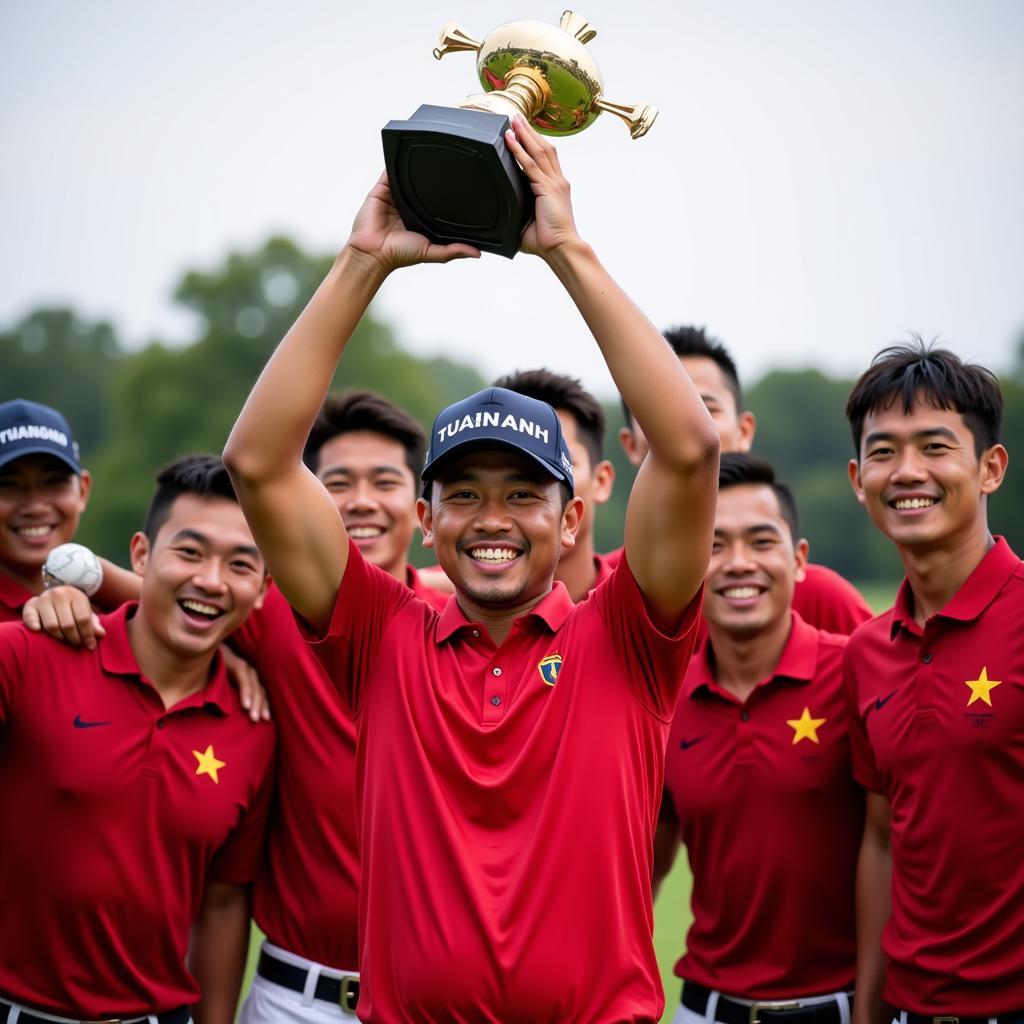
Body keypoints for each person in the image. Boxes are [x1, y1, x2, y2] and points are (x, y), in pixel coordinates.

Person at [222, 115, 719, 1021]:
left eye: (524, 495)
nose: (494, 520)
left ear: (572, 518)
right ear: (425, 521)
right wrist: (362, 262)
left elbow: (687, 451)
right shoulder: (380, 633)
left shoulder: (629, 635)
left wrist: (565, 248)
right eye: (465, 495)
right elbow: (257, 463)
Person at [22, 391, 449, 1022]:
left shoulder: (457, 629)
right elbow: (181, 595)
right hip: (293, 996)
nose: (360, 500)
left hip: (435, 998)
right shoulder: (268, 611)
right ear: (301, 503)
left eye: (383, 481)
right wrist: (69, 583)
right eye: (336, 482)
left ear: (418, 508)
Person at [0, 455, 275, 1024]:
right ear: (142, 555)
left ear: (265, 587)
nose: (210, 581)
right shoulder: (26, 654)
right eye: (190, 552)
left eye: (240, 564)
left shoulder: (256, 726)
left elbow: (222, 906)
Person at [842, 342, 1019, 1024]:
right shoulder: (865, 653)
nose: (908, 472)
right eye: (884, 452)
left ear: (990, 468)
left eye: (935, 447)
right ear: (859, 478)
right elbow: (883, 839)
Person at [655, 454, 863, 1024]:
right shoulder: (666, 705)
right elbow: (644, 867)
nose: (738, 564)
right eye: (714, 544)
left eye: (760, 541)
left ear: (798, 561)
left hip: (847, 1009)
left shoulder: (857, 675)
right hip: (706, 1009)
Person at [618, 325, 873, 634]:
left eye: (705, 409)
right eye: (658, 414)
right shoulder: (611, 592)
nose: (683, 432)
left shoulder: (822, 600)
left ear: (745, 430)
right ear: (630, 444)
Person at [493, 368, 616, 601]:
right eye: (512, 472)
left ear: (601, 481)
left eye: (560, 464)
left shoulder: (634, 613)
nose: (532, 485)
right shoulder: (435, 602)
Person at [0, 398, 92, 622]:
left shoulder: (116, 606)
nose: (36, 507)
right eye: (8, 485)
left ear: (82, 491)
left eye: (53, 482)